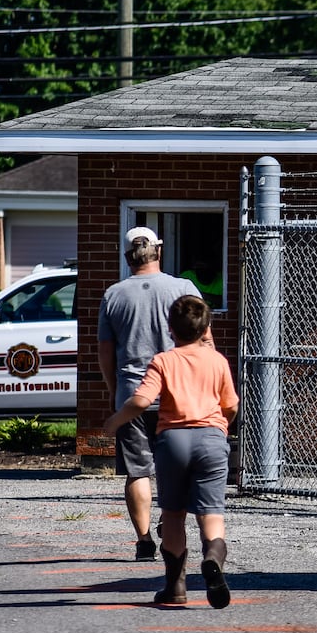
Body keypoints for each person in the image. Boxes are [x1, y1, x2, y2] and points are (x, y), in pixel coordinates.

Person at [103, 295, 238, 608]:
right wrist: (220, 427)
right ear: (206, 327)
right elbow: (230, 405)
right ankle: (213, 559)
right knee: (211, 512)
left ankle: (175, 587)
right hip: (211, 440)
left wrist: (115, 420)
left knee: (174, 514)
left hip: (173, 440)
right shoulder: (217, 361)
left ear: (170, 329)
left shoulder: (163, 361)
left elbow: (141, 400)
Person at [98, 226, 201, 561]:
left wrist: (117, 394)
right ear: (159, 250)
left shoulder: (114, 295)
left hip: (132, 394)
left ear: (128, 256)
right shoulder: (183, 288)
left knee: (137, 470)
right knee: (181, 468)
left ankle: (144, 541)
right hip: (178, 393)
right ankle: (169, 523)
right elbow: (204, 340)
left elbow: (105, 352)